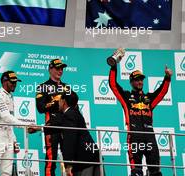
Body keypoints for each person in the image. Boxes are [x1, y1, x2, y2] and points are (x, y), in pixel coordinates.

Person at [108, 48, 172, 176]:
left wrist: (167, 77)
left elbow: (162, 92)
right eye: (137, 79)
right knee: (136, 172)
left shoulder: (149, 99)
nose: (139, 82)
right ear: (131, 82)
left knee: (155, 171)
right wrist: (114, 66)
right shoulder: (126, 97)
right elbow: (113, 85)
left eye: (141, 79)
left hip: (150, 136)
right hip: (134, 137)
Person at [0, 71, 39, 175]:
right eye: (12, 82)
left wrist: (14, 140)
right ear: (4, 82)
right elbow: (6, 116)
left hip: (8, 136)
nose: (15, 84)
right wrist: (26, 126)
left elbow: (10, 121)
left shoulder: (10, 97)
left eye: (16, 82)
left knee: (7, 171)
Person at [36, 58, 69, 176]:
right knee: (51, 159)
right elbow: (40, 108)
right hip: (52, 126)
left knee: (69, 159)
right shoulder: (42, 87)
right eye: (57, 68)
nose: (60, 71)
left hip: (67, 127)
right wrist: (56, 103)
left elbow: (74, 108)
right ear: (50, 69)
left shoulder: (67, 87)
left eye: (62, 68)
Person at [57, 92, 102, 176]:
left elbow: (70, 141)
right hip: (92, 156)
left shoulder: (69, 115)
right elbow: (57, 124)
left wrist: (68, 164)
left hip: (85, 160)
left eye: (59, 100)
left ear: (63, 101)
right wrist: (40, 128)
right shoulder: (74, 113)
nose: (58, 103)